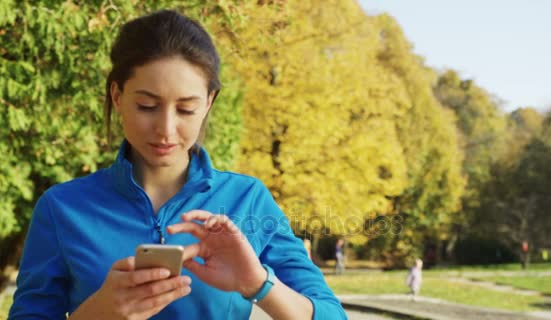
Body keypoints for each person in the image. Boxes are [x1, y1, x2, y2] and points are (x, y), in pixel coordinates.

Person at [9, 10, 346, 320]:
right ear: (117, 96)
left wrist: (258, 283)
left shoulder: (249, 199)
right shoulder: (62, 208)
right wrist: (97, 313)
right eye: (146, 105)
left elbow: (332, 315)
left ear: (209, 102)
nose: (166, 130)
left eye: (186, 109)